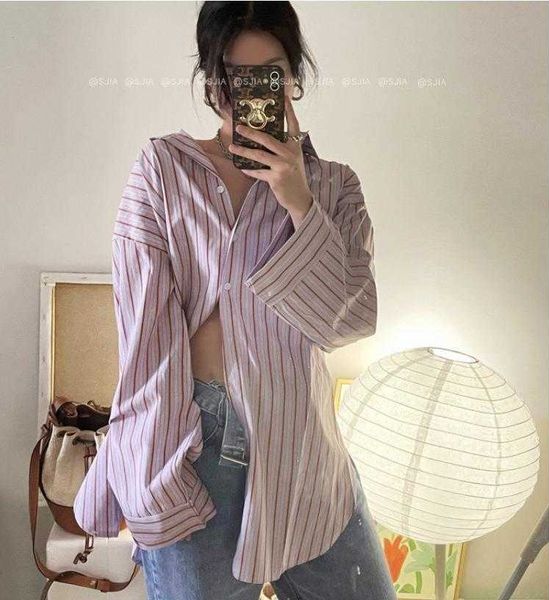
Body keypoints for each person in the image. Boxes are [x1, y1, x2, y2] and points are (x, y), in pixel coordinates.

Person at [74, 2, 396, 599]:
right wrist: (151, 473)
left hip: (304, 442)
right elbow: (143, 337)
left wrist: (298, 199)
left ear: (292, 76)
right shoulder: (164, 170)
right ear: (209, 76)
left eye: (266, 73)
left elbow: (348, 320)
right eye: (231, 75)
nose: (246, 92)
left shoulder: (334, 186)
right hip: (191, 438)